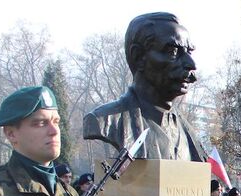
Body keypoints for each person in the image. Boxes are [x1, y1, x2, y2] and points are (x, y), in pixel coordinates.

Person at [83, 12, 206, 161]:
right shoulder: (106, 120)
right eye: (172, 51)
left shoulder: (189, 135)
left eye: (189, 52)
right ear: (138, 56)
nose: (191, 64)